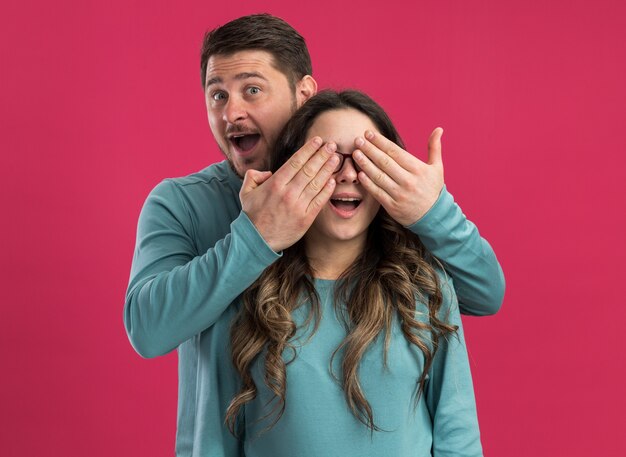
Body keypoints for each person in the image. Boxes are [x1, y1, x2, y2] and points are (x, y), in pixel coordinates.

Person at [123, 14, 504, 456]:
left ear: (304, 94)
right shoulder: (180, 204)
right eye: (217, 95)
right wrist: (256, 237)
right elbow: (148, 332)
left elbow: (483, 294)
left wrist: (432, 213)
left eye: (252, 90)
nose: (231, 112)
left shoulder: (366, 203)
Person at [212, 90, 483, 456]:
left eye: (366, 160)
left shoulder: (426, 285)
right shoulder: (244, 292)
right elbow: (217, 440)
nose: (350, 174)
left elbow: (458, 436)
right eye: (327, 159)